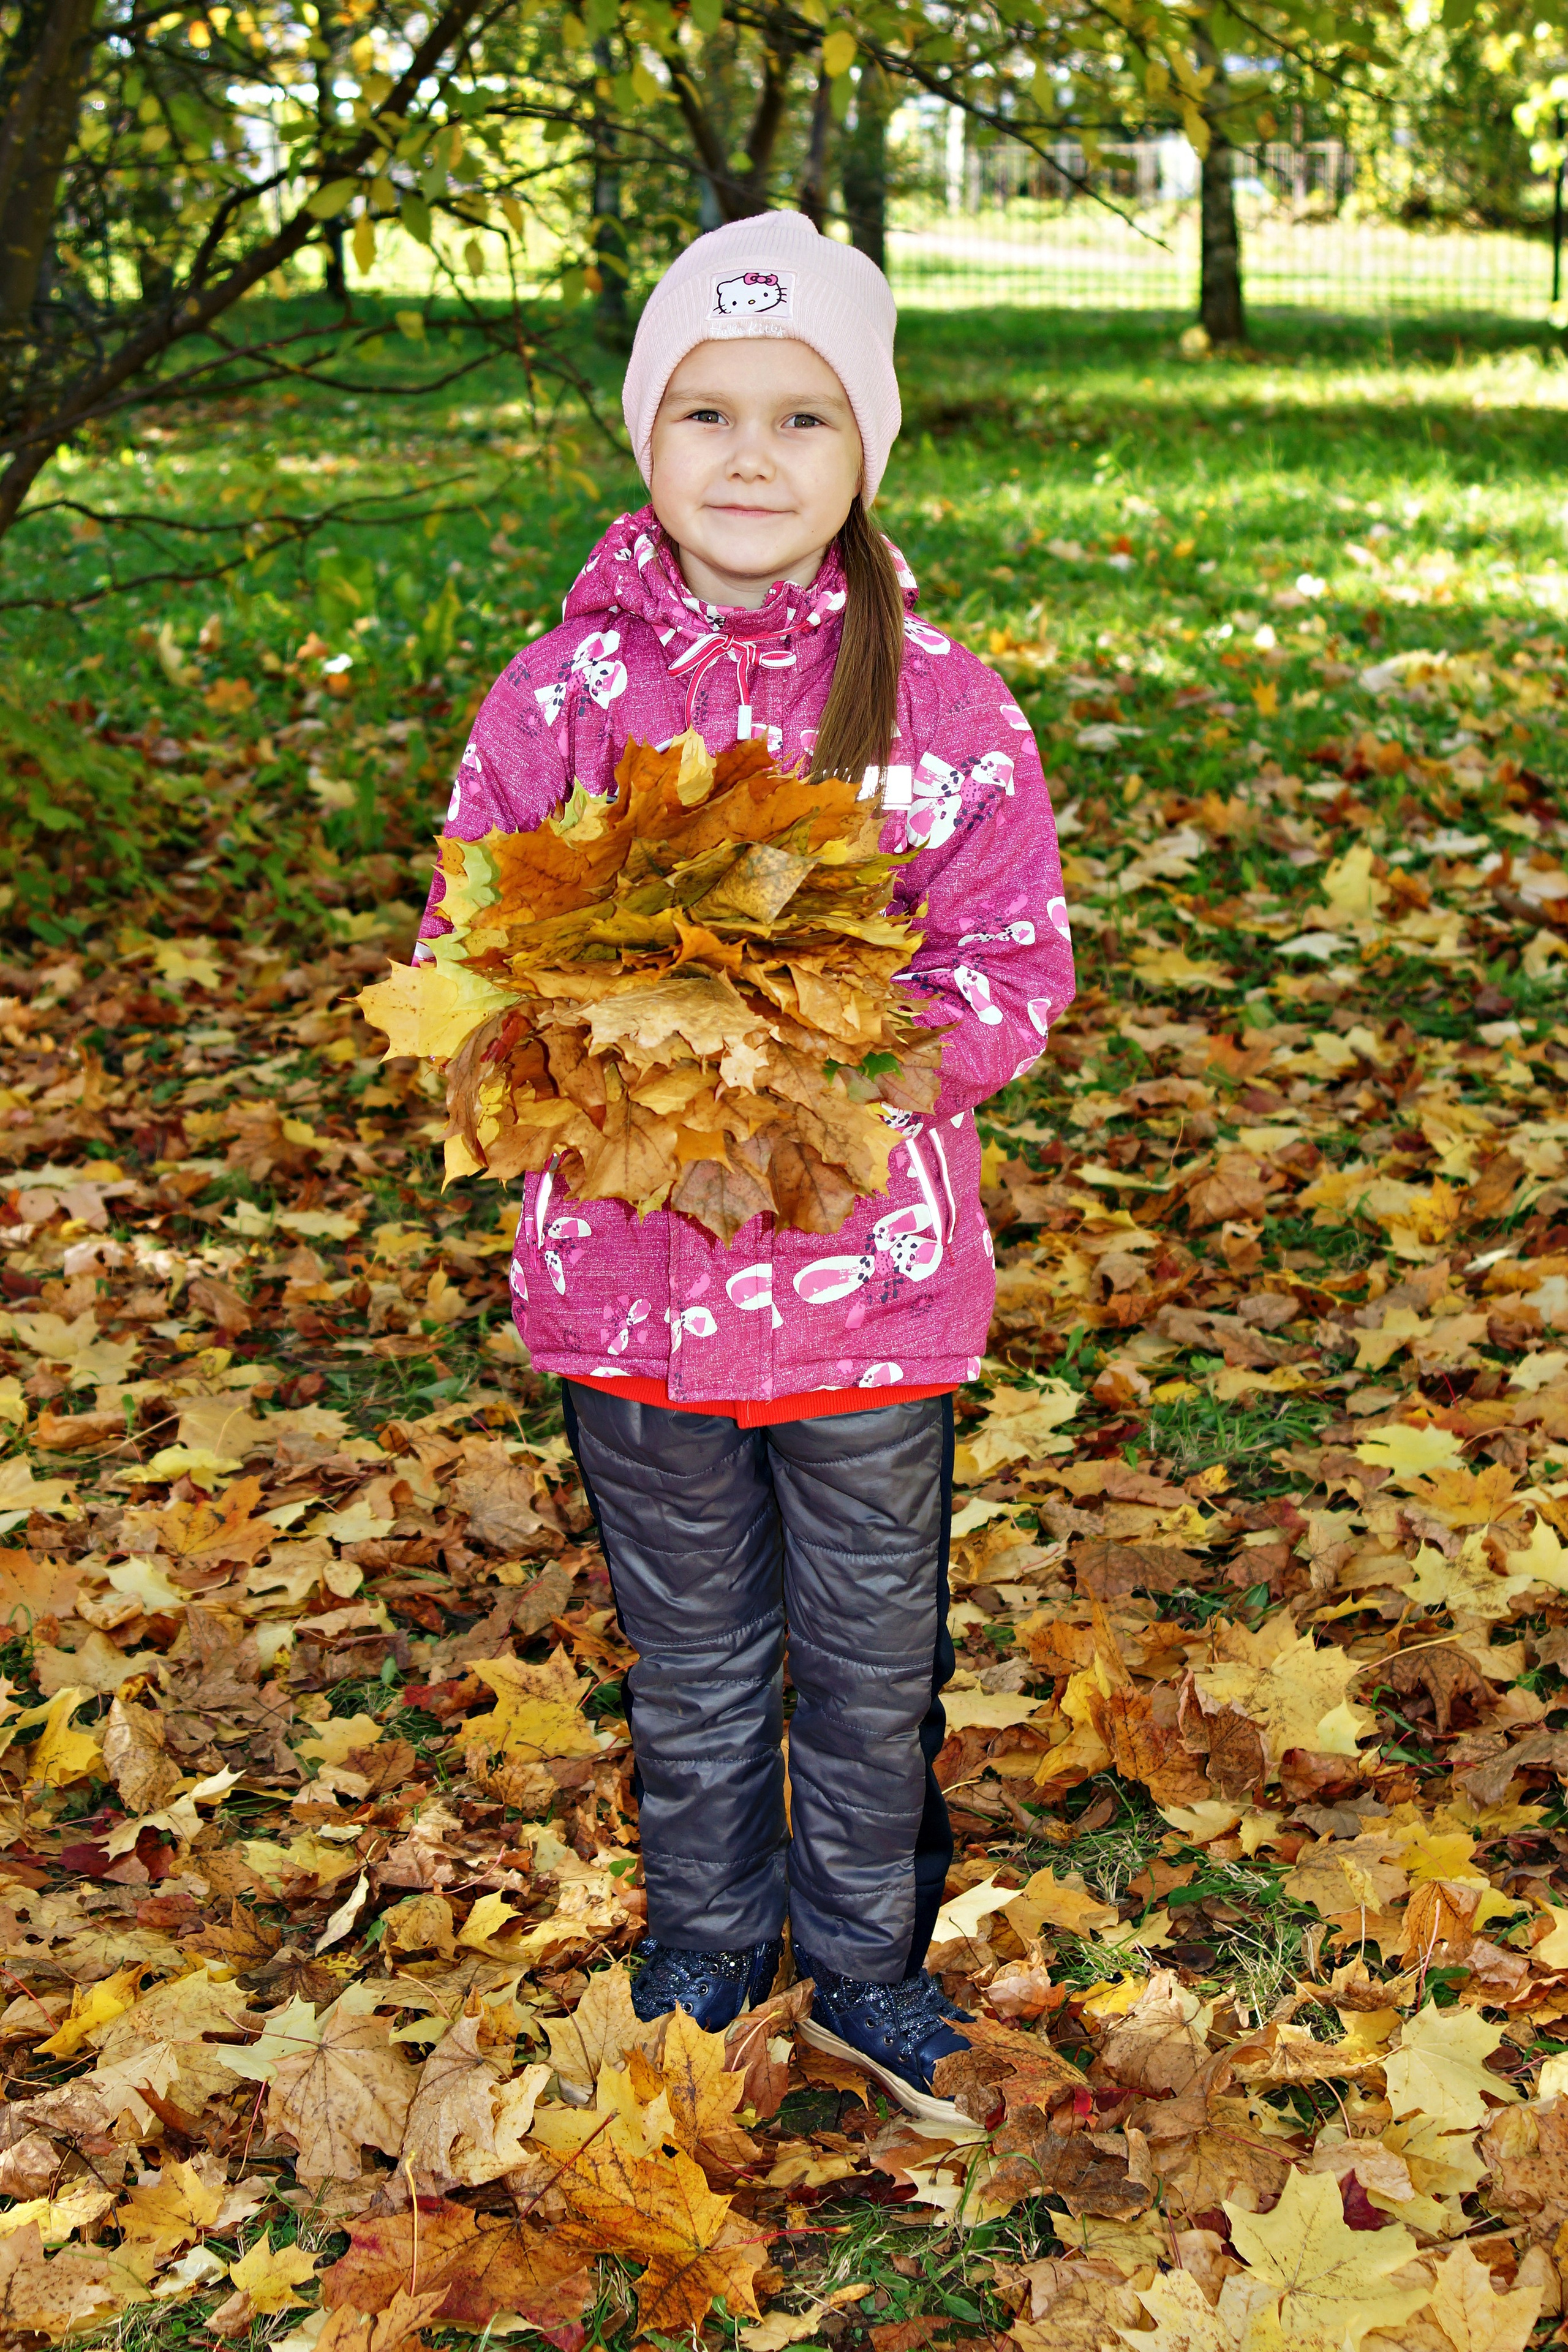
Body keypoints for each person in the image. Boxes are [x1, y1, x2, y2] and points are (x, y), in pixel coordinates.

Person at [418, 209, 1074, 2125]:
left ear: (865, 446)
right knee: (694, 1652)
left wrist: (833, 1065)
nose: (753, 458)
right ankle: (707, 1935)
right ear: (647, 441)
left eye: (803, 417)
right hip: (629, 1287)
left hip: (867, 1291)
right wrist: (597, 1043)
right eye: (708, 412)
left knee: (870, 1661)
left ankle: (866, 1960)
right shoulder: (554, 702)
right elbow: (472, 958)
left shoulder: (939, 706)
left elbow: (1015, 966)